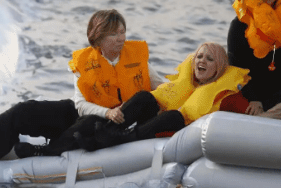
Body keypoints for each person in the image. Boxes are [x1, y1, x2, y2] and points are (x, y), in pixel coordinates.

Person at [0, 9, 165, 159]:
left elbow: (162, 87)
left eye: (122, 32)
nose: (121, 38)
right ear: (97, 38)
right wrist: (106, 112)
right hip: (91, 112)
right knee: (26, 110)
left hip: (111, 125)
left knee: (88, 124)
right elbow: (80, 104)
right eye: (113, 34)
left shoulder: (137, 60)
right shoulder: (84, 63)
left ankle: (44, 151)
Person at [79, 42, 249, 150]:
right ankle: (107, 132)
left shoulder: (227, 95)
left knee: (174, 116)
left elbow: (250, 116)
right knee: (145, 97)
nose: (202, 61)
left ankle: (122, 138)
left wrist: (257, 105)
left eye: (210, 59)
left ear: (219, 67)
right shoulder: (188, 83)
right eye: (199, 56)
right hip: (153, 126)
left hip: (180, 134)